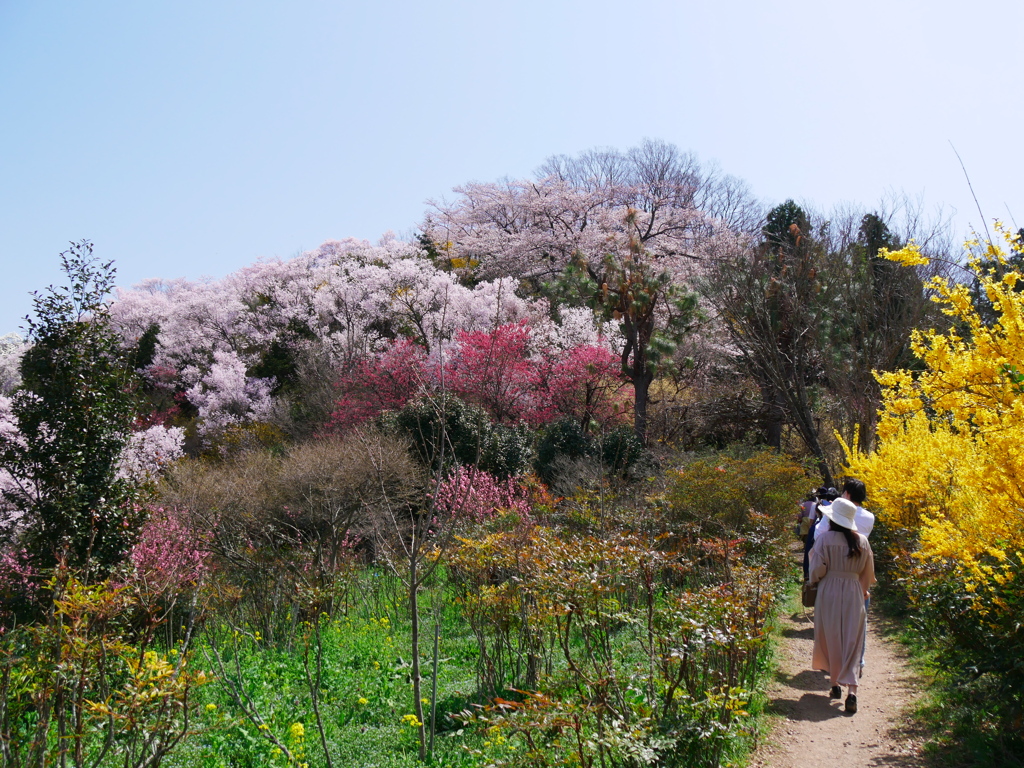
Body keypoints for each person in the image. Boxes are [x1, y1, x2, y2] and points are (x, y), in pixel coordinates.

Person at [808, 496, 875, 714]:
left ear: (832, 519)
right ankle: (852, 691)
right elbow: (868, 574)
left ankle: (834, 683)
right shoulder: (862, 541)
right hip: (854, 592)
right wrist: (862, 589)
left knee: (831, 636)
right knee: (853, 639)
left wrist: (814, 581)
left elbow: (817, 569)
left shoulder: (824, 540)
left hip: (829, 591)